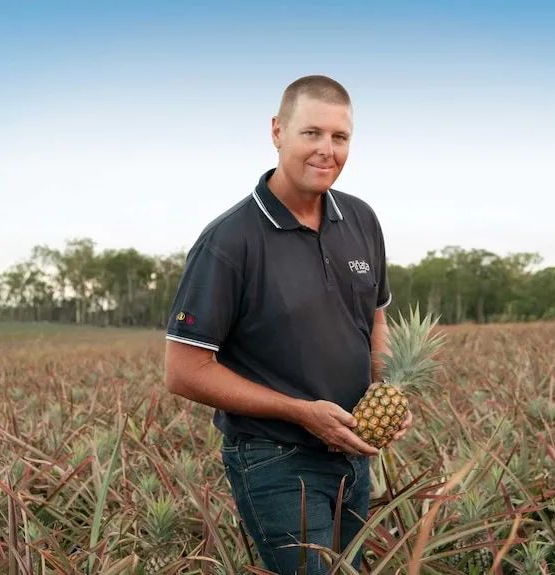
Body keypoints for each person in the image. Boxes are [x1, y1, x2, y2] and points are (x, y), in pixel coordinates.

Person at [163, 75, 412, 574]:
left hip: (352, 452)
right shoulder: (230, 241)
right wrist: (301, 411)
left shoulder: (362, 219)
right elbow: (184, 371)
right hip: (275, 460)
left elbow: (375, 314)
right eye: (311, 133)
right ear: (277, 132)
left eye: (340, 137)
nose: (327, 150)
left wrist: (388, 391)